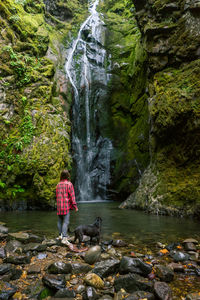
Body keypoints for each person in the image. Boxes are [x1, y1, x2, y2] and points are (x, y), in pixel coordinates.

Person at [56, 169, 78, 244]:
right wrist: (75, 206)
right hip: (65, 205)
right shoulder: (69, 184)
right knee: (66, 222)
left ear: (61, 176)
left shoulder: (58, 184)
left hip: (59, 205)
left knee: (59, 221)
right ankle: (64, 238)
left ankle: (60, 235)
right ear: (68, 175)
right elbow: (72, 196)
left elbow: (56, 195)